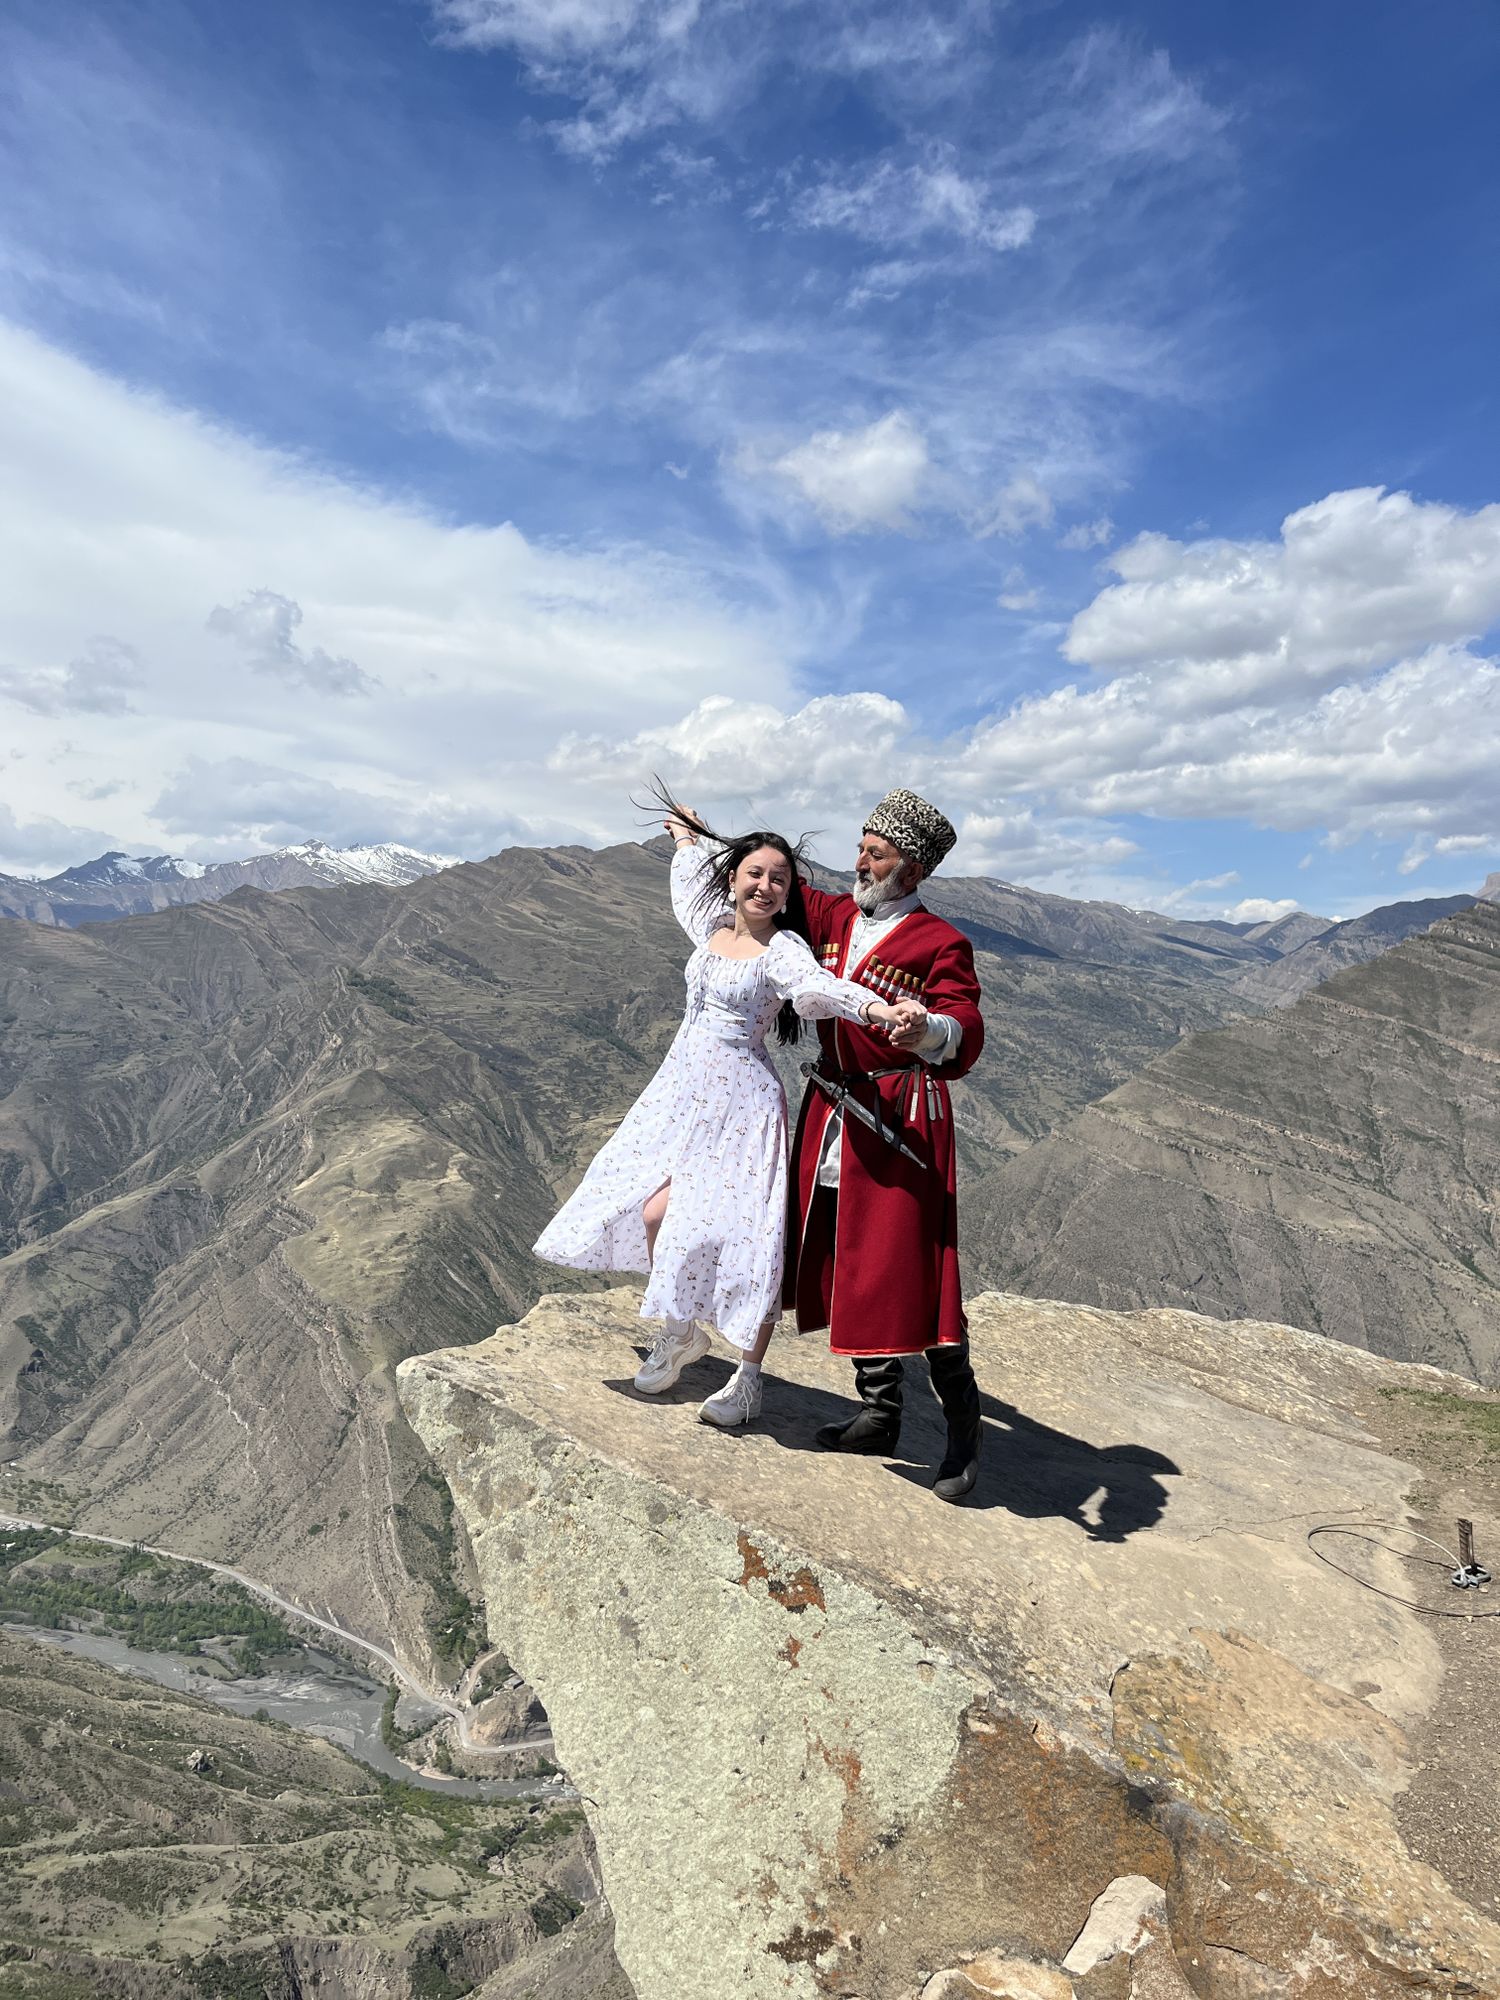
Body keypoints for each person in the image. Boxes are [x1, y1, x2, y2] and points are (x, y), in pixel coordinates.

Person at [532, 797, 916, 1430]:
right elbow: (689, 880)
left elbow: (819, 989)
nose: (765, 886)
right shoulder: (710, 925)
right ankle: (682, 1330)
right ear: (734, 876)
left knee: (747, 1237)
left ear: (788, 893)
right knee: (656, 1212)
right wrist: (686, 836)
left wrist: (878, 1011)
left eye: (779, 879)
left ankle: (748, 1377)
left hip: (743, 1103)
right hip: (683, 1092)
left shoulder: (783, 948)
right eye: (755, 873)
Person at [786, 787, 986, 1501]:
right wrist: (698, 842)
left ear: (913, 870)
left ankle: (963, 1429)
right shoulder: (835, 916)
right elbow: (772, 881)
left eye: (877, 854)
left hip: (901, 1117)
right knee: (846, 1249)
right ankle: (879, 1412)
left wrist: (928, 1028)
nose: (861, 862)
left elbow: (964, 1022)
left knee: (913, 1266)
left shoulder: (940, 942)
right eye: (862, 848)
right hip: (834, 1106)